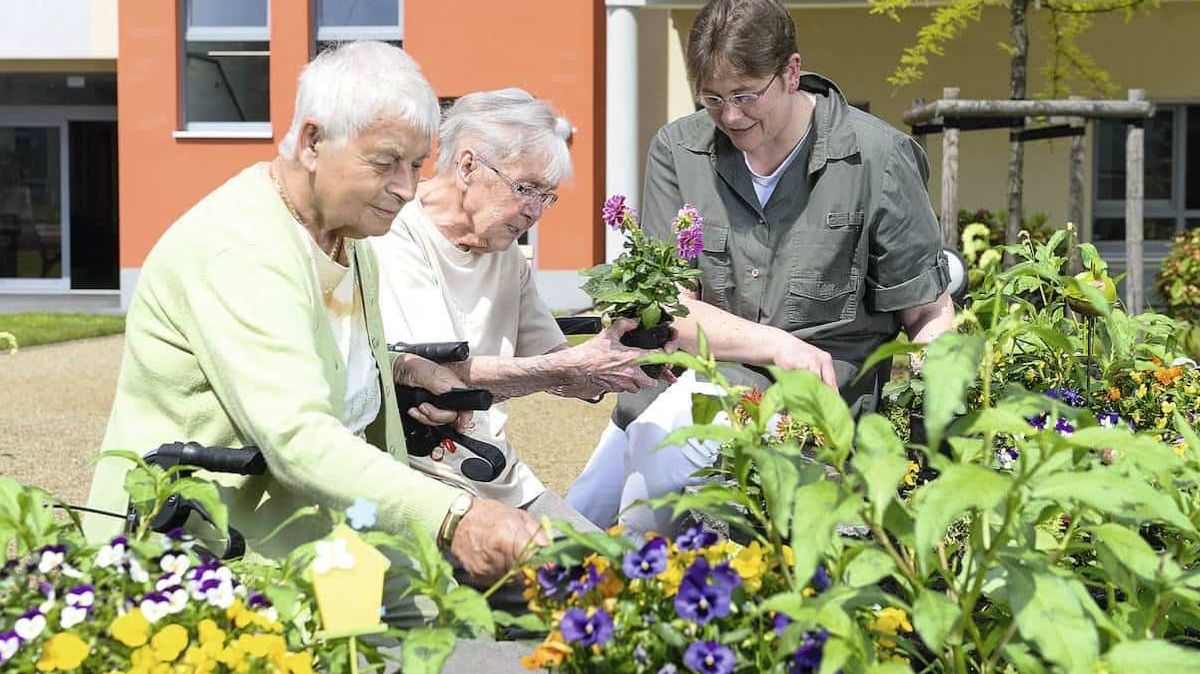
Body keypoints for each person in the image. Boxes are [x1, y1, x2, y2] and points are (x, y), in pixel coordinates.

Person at [83, 41, 546, 624]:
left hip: (330, 537)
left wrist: (398, 370)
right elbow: (297, 436)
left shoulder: (350, 238)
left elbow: (323, 353)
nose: (407, 187)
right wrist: (457, 515)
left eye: (416, 165)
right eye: (385, 162)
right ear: (311, 142)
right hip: (206, 565)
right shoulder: (242, 250)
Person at [567, 0, 956, 535]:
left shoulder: (878, 159)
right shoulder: (679, 151)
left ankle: (642, 591)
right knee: (577, 514)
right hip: (688, 385)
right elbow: (667, 309)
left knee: (655, 458)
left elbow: (929, 314)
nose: (730, 117)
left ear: (791, 72)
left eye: (746, 95)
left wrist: (938, 431)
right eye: (713, 100)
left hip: (810, 409)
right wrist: (777, 344)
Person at [369, 88, 663, 530]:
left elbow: (557, 363)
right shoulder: (396, 234)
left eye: (546, 196)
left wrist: (625, 358)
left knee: (614, 570)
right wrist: (571, 368)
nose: (534, 211)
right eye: (525, 188)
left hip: (498, 475)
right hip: (428, 480)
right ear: (467, 166)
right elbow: (441, 374)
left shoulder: (502, 249)